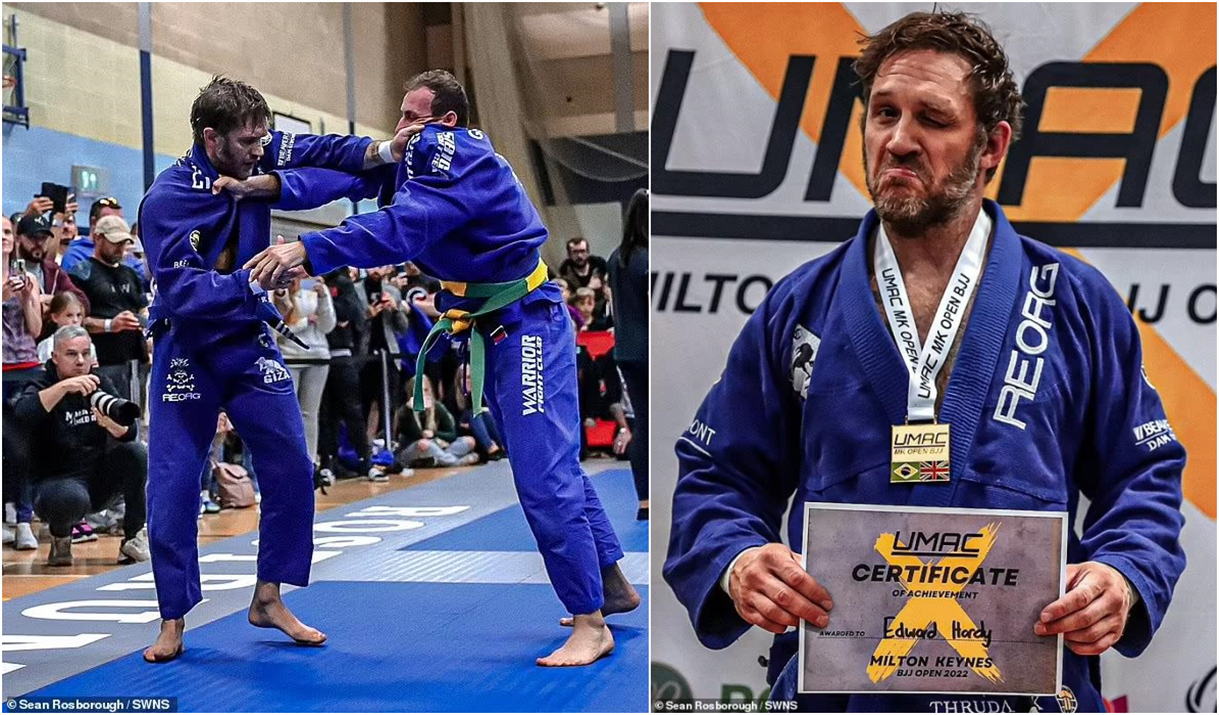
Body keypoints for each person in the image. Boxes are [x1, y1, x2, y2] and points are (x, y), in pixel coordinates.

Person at [663, 12, 1185, 713]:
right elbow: (717, 476)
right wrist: (736, 560)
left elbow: (1143, 477)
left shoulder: (1075, 303)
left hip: (1027, 691)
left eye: (932, 119)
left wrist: (1121, 574)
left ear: (991, 145)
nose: (898, 140)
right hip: (841, 694)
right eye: (884, 112)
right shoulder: (799, 308)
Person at [236, 69, 639, 667]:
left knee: (542, 471)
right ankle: (610, 585)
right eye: (400, 114)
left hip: (527, 320)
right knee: (547, 460)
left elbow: (405, 228)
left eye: (412, 116)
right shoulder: (415, 156)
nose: (401, 126)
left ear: (446, 121)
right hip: (493, 324)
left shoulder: (459, 154)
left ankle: (590, 622)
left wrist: (310, 248)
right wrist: (268, 176)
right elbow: (343, 163)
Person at [136, 75, 412, 663]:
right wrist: (255, 281)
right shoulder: (166, 200)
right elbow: (182, 292)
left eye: (263, 138)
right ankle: (172, 618)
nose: (258, 149)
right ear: (212, 140)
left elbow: (329, 154)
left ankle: (269, 597)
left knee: (292, 464)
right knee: (174, 482)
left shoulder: (259, 155)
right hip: (187, 346)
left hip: (248, 342)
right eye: (247, 141)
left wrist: (386, 155)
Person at [13, 325, 149, 567]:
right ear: (55, 357)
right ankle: (61, 536)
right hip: (54, 484)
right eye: (71, 354)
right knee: (70, 497)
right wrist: (65, 387)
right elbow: (22, 415)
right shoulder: (40, 384)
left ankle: (133, 537)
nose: (80, 361)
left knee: (138, 453)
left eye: (85, 354)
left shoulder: (99, 382)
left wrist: (113, 425)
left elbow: (129, 431)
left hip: (97, 481)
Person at [70, 215, 149, 403]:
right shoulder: (82, 273)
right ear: (98, 238)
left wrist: (144, 324)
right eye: (115, 243)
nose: (120, 248)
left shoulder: (130, 274)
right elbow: (75, 321)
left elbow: (143, 307)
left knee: (135, 412)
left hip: (134, 360)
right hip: (102, 360)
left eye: (123, 243)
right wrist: (109, 325)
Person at [2, 214, 44, 551]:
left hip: (27, 367)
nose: (3, 237)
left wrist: (28, 299)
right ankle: (8, 513)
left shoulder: (26, 277)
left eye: (6, 231)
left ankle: (24, 519)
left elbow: (36, 329)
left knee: (25, 448)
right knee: (7, 448)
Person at [607, 188, 648, 520]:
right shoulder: (648, 260)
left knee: (642, 424)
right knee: (654, 425)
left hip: (625, 350)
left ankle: (644, 498)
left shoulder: (615, 258)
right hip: (649, 350)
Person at [273, 274, 335, 477]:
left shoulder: (317, 286)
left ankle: (310, 462)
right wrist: (305, 321)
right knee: (288, 413)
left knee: (310, 414)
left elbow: (328, 326)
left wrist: (323, 297)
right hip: (290, 356)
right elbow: (278, 329)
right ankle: (289, 461)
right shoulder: (279, 288)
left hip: (318, 354)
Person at [14, 212, 91, 324]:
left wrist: (53, 300)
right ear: (17, 239)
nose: (39, 243)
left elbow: (83, 303)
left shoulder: (54, 271)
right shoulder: (8, 268)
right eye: (33, 237)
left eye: (44, 238)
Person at [36, 292, 98, 364]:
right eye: (69, 315)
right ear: (55, 317)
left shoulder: (89, 344)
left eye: (78, 315)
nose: (75, 320)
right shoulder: (48, 345)